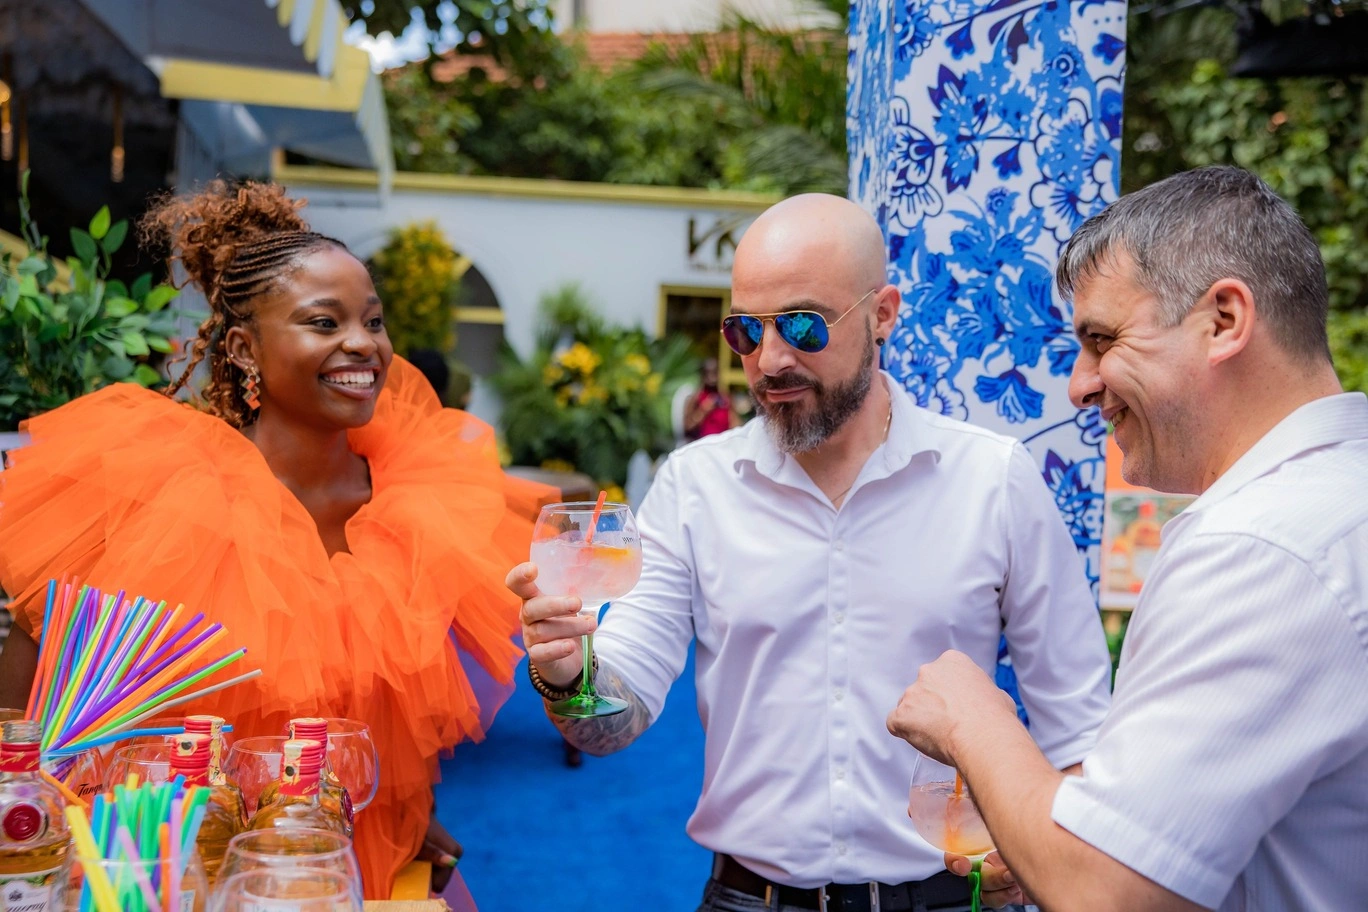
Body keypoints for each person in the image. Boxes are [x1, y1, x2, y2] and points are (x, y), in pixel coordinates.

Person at [508, 193, 1112, 911]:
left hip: (951, 898)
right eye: (744, 331)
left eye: (802, 325)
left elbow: (1080, 729)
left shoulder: (992, 479)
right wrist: (566, 673)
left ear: (883, 313)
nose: (769, 359)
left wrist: (1047, 859)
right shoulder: (695, 487)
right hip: (750, 899)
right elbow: (612, 720)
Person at [0, 182, 553, 901]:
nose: (363, 343)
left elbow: (392, 713)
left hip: (357, 858)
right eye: (324, 322)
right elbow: (26, 709)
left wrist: (405, 810)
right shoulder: (162, 497)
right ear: (243, 348)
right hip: (187, 871)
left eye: (374, 321)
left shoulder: (420, 505)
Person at [886, 166, 1368, 912]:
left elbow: (1106, 892)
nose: (1080, 385)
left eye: (1102, 340)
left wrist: (971, 719)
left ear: (1224, 320)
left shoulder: (1261, 549)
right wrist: (1052, 828)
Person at [683, 358, 739, 440]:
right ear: (703, 375)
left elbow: (736, 423)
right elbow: (688, 427)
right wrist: (703, 410)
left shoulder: (726, 397)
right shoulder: (695, 398)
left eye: (715, 373)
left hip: (724, 441)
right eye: (708, 373)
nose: (712, 378)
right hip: (703, 442)